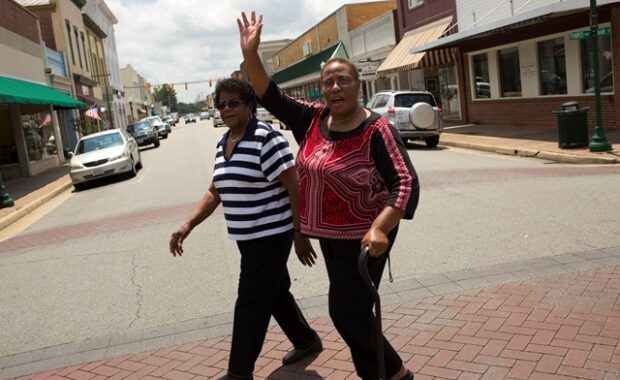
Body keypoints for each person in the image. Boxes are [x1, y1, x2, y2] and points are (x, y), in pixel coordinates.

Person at [238, 11, 420, 380]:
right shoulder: (314, 119)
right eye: (328, 82)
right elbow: (269, 95)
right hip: (331, 237)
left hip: (368, 237)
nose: (335, 88)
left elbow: (405, 182)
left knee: (346, 312)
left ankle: (394, 375)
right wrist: (251, 54)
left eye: (343, 80)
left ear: (358, 85)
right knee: (352, 312)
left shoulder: (376, 130)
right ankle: (390, 373)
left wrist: (381, 229)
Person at [169, 78, 322, 380]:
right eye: (222, 104)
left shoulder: (267, 138)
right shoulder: (223, 142)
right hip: (247, 238)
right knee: (275, 292)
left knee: (251, 301)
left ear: (251, 105)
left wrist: (299, 233)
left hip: (272, 235)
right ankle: (306, 340)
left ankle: (239, 373)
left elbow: (294, 186)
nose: (227, 108)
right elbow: (216, 191)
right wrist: (187, 225)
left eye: (234, 102)